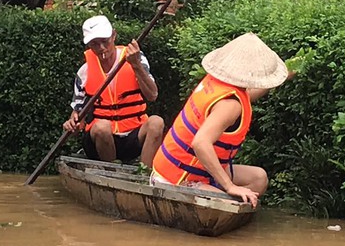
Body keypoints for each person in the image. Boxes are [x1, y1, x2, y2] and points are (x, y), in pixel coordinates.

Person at [150, 33, 293, 207]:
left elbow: (247, 95)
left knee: (259, 178)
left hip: (194, 169)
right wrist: (230, 186)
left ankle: (215, 193)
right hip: (176, 178)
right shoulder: (230, 105)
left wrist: (282, 78)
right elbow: (200, 143)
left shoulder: (217, 81)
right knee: (232, 205)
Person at [62, 14, 165, 166]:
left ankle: (144, 175)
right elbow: (77, 119)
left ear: (114, 36)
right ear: (89, 45)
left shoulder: (136, 59)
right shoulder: (84, 71)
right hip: (101, 140)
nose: (102, 48)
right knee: (102, 127)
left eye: (105, 41)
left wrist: (136, 65)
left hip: (133, 134)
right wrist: (72, 124)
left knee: (156, 122)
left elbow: (152, 95)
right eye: (95, 44)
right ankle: (111, 172)